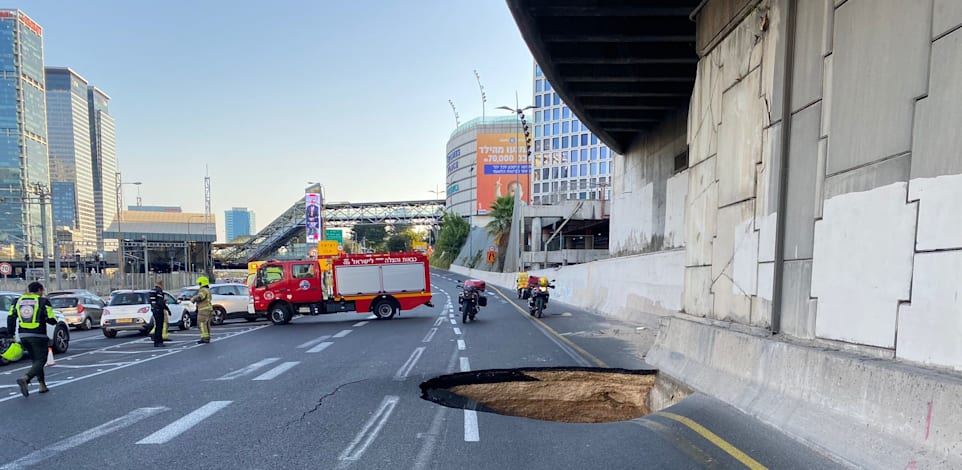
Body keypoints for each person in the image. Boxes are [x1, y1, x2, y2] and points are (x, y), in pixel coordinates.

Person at [6, 282, 58, 397]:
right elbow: (51, 319)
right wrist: (53, 319)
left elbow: (11, 317)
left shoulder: (17, 301)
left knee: (36, 360)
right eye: (42, 291)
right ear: (39, 290)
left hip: (23, 335)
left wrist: (11, 335)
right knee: (41, 360)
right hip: (38, 335)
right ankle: (26, 378)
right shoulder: (43, 301)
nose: (42, 293)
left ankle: (42, 385)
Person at [191, 276, 213, 344]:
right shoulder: (208, 290)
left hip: (203, 310)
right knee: (207, 324)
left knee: (201, 324)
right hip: (208, 309)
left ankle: (204, 338)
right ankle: (207, 337)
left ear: (202, 283)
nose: (199, 285)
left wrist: (193, 299)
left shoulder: (203, 290)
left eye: (199, 283)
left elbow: (200, 297)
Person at [148, 280, 170, 347]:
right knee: (159, 326)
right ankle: (158, 342)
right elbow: (160, 302)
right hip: (158, 310)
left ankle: (156, 341)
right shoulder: (159, 291)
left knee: (157, 326)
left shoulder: (152, 291)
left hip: (154, 310)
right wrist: (166, 309)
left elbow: (151, 301)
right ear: (161, 284)